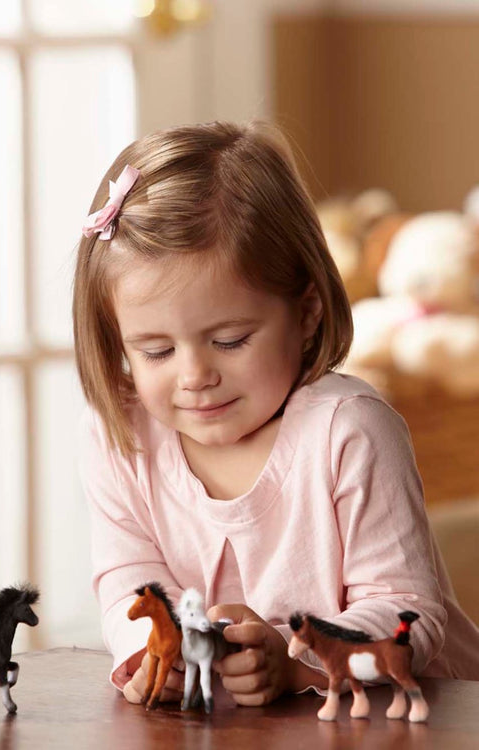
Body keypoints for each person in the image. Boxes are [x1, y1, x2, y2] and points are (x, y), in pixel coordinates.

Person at [73, 120, 479, 708]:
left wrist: (293, 660)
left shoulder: (349, 432)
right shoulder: (120, 435)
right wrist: (158, 651)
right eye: (155, 350)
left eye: (232, 339)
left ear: (308, 309)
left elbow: (407, 613)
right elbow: (127, 580)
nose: (193, 376)